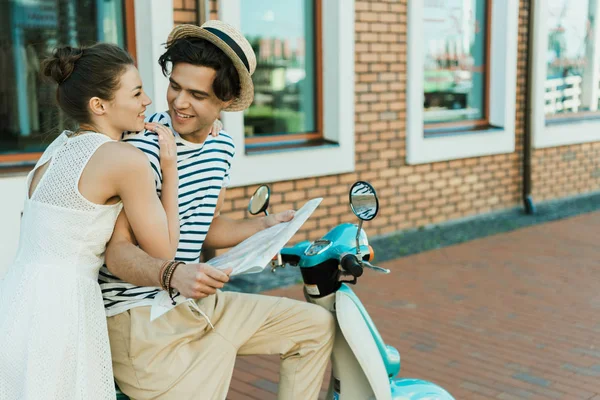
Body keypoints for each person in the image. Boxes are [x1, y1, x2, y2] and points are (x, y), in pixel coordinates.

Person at [100, 21, 335, 400]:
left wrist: (263, 227)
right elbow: (117, 252)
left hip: (197, 304)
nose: (178, 102)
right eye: (175, 86)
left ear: (225, 100)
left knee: (315, 326)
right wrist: (173, 273)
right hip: (140, 318)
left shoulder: (222, 146)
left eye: (197, 94)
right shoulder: (142, 146)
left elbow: (205, 226)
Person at [0, 43, 182, 400]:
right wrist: (170, 166)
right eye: (136, 92)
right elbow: (164, 248)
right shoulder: (124, 160)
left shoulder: (58, 146)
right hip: (62, 307)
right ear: (98, 105)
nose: (148, 101)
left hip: (16, 298)